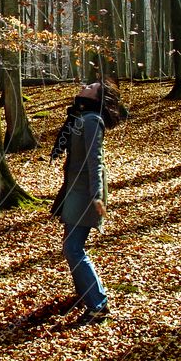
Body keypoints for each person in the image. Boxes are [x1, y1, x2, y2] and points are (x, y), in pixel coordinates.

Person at [50, 79, 121, 326]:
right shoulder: (81, 117)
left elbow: (95, 159)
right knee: (71, 247)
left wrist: (97, 195)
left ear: (96, 97)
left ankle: (98, 305)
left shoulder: (92, 120)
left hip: (85, 193)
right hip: (74, 190)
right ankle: (86, 294)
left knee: (73, 248)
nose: (85, 87)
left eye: (91, 87)